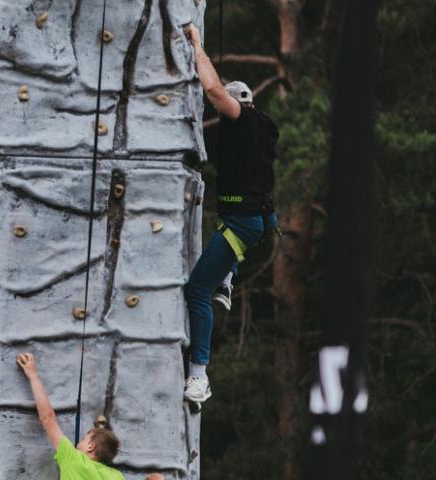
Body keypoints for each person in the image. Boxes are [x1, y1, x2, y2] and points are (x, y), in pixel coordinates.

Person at [181, 24, 280, 404]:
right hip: (255, 220)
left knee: (197, 291)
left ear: (239, 106)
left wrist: (197, 46)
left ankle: (199, 375)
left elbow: (212, 89)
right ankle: (227, 277)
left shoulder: (242, 120)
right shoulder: (262, 133)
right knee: (224, 249)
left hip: (242, 223)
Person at [16, 353, 124, 479]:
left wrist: (33, 376)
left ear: (91, 446)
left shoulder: (73, 459)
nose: (79, 442)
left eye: (84, 439)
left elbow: (48, 418)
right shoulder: (117, 476)